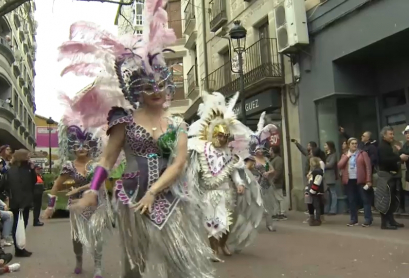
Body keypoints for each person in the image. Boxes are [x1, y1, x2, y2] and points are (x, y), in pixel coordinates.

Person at [61, 6, 215, 276]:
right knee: (135, 263)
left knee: (180, 260)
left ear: (167, 86)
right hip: (132, 197)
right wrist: (93, 190)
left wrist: (155, 191)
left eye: (159, 84)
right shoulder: (124, 121)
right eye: (147, 86)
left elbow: (179, 163)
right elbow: (107, 159)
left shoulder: (178, 124)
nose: (155, 90)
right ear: (137, 91)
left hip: (173, 197)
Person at [187, 93, 265, 261]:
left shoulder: (229, 154)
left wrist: (239, 183)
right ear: (213, 134)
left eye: (225, 136)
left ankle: (223, 244)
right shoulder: (202, 150)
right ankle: (213, 249)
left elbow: (234, 171)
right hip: (208, 193)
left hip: (226, 193)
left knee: (227, 222)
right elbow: (195, 171)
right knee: (211, 223)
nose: (222, 139)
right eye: (219, 136)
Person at [43, 117, 110, 278]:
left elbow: (99, 184)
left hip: (97, 203)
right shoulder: (69, 166)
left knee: (97, 237)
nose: (81, 148)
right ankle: (79, 260)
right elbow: (56, 186)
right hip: (78, 206)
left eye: (84, 145)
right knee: (77, 239)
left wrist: (79, 188)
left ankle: (98, 267)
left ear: (90, 147)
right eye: (77, 146)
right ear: (72, 148)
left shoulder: (96, 165)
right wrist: (50, 206)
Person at [3, 149, 36, 257]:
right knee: (19, 225)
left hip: (20, 201)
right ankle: (19, 249)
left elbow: (33, 181)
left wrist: (32, 169)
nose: (29, 157)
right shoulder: (18, 170)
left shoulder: (23, 169)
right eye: (27, 155)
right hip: (20, 202)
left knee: (21, 224)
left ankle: (20, 247)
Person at [338, 138, 373, 227]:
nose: (354, 145)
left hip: (361, 180)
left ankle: (367, 219)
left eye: (356, 143)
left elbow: (368, 167)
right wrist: (347, 156)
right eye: (352, 143)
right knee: (351, 200)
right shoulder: (345, 154)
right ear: (349, 145)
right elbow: (339, 165)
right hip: (349, 180)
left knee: (365, 199)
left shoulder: (362, 154)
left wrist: (368, 180)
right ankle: (354, 219)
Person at [375, 126, 404, 230]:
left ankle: (391, 220)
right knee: (385, 198)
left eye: (392, 134)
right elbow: (384, 160)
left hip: (389, 175)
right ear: (384, 135)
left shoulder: (387, 145)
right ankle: (385, 223)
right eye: (390, 134)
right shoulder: (383, 146)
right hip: (385, 176)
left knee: (390, 199)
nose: (392, 136)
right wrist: (398, 157)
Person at [270, 146, 288, 220]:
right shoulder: (274, 159)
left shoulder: (278, 160)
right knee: (275, 198)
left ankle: (282, 213)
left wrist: (274, 179)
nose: (269, 151)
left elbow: (278, 171)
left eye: (270, 150)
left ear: (273, 151)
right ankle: (277, 212)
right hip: (273, 182)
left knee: (280, 197)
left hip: (276, 182)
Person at [305, 157, 325, 226]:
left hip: (315, 192)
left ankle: (317, 219)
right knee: (310, 205)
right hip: (311, 191)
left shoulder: (318, 172)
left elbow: (317, 182)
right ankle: (312, 218)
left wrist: (312, 191)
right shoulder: (313, 172)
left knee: (317, 205)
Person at [324, 141, 338, 215]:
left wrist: (324, 165)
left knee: (333, 193)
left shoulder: (333, 155)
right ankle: (326, 209)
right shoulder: (326, 154)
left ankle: (333, 210)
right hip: (326, 176)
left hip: (330, 176)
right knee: (327, 194)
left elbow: (330, 164)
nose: (324, 147)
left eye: (325, 145)